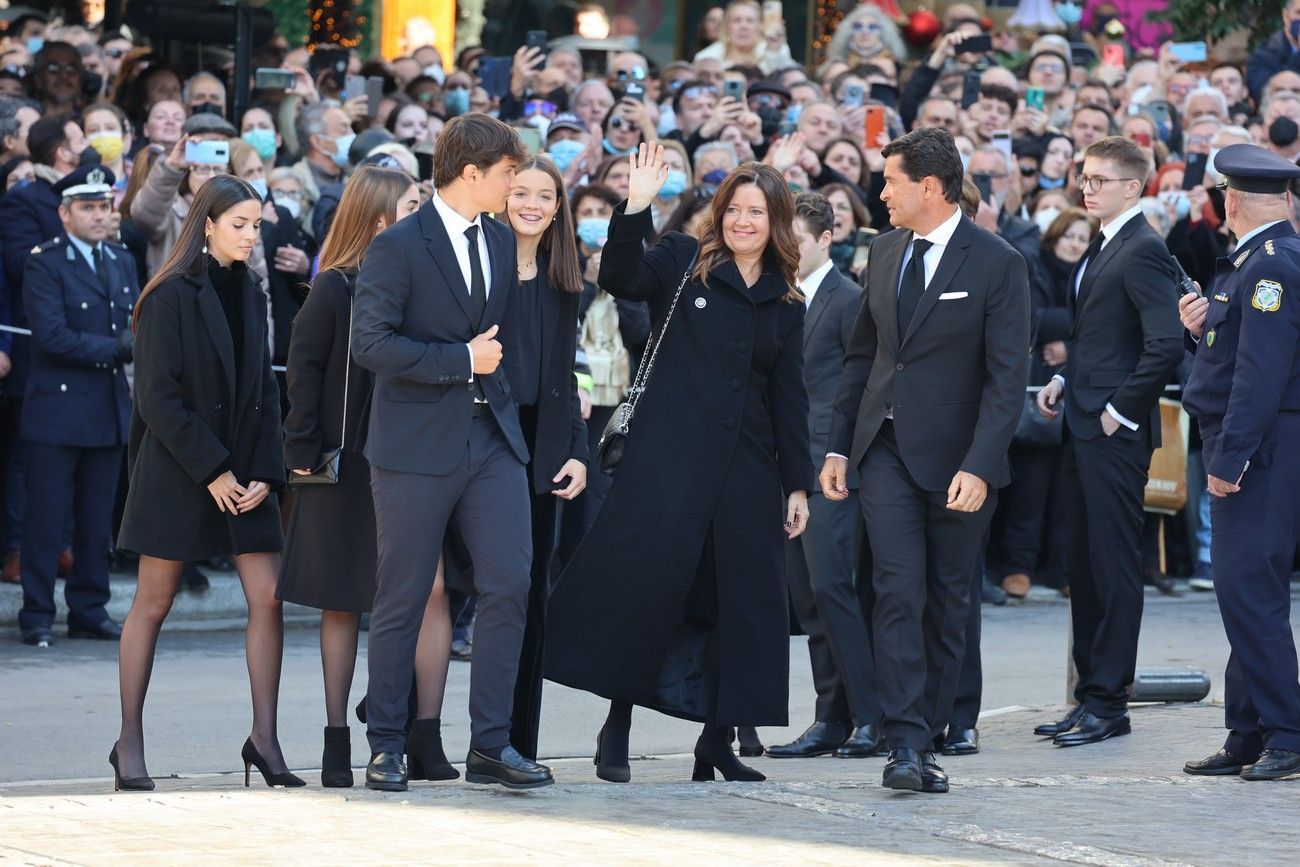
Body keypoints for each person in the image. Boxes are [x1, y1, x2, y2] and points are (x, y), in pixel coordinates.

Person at [546, 147, 813, 784]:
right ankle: (617, 727)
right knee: (647, 591)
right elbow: (620, 276)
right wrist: (634, 205)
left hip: (748, 471)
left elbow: (789, 396)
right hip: (667, 462)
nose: (742, 221)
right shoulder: (681, 259)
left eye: (757, 212)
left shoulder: (786, 300)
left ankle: (716, 742)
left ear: (776, 222)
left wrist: (797, 483)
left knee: (739, 605)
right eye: (734, 209)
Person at [820, 128, 1030, 794]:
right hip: (882, 452)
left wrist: (978, 462)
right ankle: (905, 742)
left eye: (891, 182)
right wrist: (836, 443)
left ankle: (933, 732)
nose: (880, 193)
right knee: (895, 591)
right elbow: (862, 358)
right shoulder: (881, 252)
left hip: (960, 464)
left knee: (947, 599)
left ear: (930, 188)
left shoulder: (998, 263)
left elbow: (1007, 379)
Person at [350, 113, 549, 792]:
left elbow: (506, 343)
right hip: (412, 443)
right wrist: (459, 359)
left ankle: (491, 743)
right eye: (506, 176)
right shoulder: (398, 245)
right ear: (472, 173)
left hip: (491, 438)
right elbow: (370, 344)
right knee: (403, 594)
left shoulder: (498, 240)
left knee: (510, 582)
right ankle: (384, 743)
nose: (515, 188)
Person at [110, 174, 294, 791]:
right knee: (153, 603)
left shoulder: (254, 291)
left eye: (256, 225)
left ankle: (264, 740)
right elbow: (157, 398)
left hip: (244, 471)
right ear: (207, 224)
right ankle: (129, 740)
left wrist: (265, 473)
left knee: (268, 598)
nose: (250, 235)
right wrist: (212, 469)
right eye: (239, 224)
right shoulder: (167, 295)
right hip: (180, 469)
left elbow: (267, 390)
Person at [1035, 136, 1183, 747]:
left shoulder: (1143, 249)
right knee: (1085, 564)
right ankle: (1090, 694)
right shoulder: (1103, 244)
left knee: (1115, 565)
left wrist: (1119, 412)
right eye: (1084, 177)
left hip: (1113, 433)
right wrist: (1065, 379)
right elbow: (1103, 340)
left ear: (1134, 186)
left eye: (1099, 179)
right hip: (1083, 422)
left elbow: (1165, 343)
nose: (1086, 187)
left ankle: (1109, 702)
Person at [278, 166, 421, 787]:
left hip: (402, 460)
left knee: (402, 600)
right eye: (412, 203)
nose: (424, 213)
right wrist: (303, 452)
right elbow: (303, 371)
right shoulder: (334, 285)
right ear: (381, 216)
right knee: (340, 605)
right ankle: (337, 740)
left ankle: (391, 725)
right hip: (339, 464)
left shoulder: (420, 281)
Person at [1179, 144, 1300, 782]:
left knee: (1247, 590)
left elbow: (1262, 375)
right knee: (1249, 594)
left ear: (1231, 201)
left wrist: (1231, 458)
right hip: (1258, 441)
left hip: (1261, 446)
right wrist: (1199, 330)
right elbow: (1237, 354)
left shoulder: (1272, 265)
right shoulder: (1251, 263)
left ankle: (1286, 732)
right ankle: (1250, 733)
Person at [765, 191, 883, 760]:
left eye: (797, 241)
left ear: (826, 239)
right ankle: (829, 719)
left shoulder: (848, 301)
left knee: (836, 590)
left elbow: (857, 390)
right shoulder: (774, 299)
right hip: (786, 470)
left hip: (832, 472)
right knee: (810, 599)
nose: (785, 252)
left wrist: (838, 461)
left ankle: (870, 717)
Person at [16, 166, 136, 647]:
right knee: (46, 520)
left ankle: (89, 607)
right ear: (64, 213)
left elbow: (132, 324)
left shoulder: (121, 259)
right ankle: (38, 613)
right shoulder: (44, 262)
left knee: (95, 520)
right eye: (86, 207)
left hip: (106, 408)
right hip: (59, 411)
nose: (97, 215)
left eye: (103, 206)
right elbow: (52, 337)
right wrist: (118, 348)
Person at [499, 155, 589, 760]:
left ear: (559, 208)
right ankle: (402, 723)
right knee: (454, 592)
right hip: (480, 441)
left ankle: (515, 743)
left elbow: (566, 379)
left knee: (531, 594)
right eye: (520, 192)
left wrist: (577, 453)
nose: (531, 204)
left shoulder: (563, 282)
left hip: (542, 452)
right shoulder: (480, 268)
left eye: (545, 196)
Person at [993, 208, 1097, 599]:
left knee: (1067, 494)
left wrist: (1068, 346)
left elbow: (1098, 322)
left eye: (1082, 237)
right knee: (1029, 490)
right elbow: (1032, 318)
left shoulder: (1092, 274)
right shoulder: (1032, 270)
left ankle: (1064, 569)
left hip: (1077, 395)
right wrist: (1075, 325)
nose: (1074, 243)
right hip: (1036, 396)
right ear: (1054, 237)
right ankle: (1018, 565)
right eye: (1068, 235)